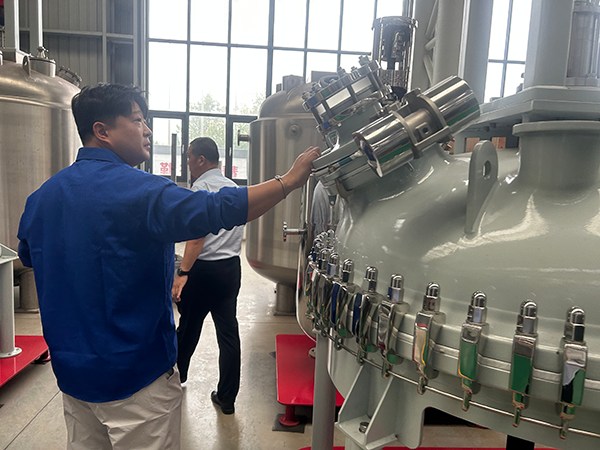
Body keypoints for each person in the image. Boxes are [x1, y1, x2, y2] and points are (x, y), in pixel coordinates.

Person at [17, 83, 320, 450]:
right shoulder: (143, 192)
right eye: (137, 120)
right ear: (102, 130)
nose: (147, 130)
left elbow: (30, 258)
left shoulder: (41, 198)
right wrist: (289, 181)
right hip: (137, 379)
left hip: (73, 378)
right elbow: (218, 209)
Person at [171, 137, 243, 415]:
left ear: (201, 160)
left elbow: (196, 238)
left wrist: (183, 272)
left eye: (189, 158)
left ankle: (176, 380)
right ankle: (227, 398)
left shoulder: (200, 190)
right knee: (228, 334)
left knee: (188, 328)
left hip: (202, 271)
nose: (188, 163)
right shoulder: (234, 189)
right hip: (230, 269)